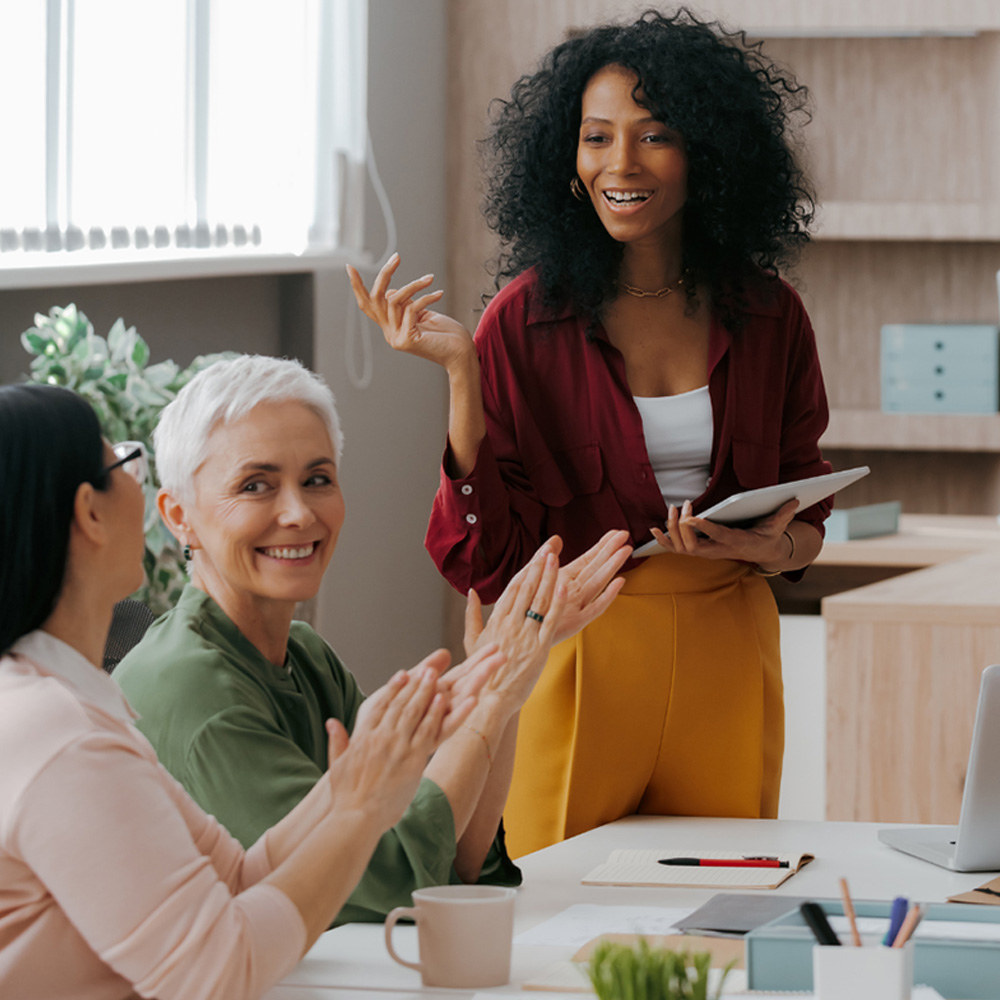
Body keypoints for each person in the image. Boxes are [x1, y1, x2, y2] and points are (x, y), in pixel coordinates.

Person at [348, 8, 833, 857]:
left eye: (653, 137)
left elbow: (806, 519)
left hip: (729, 642)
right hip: (574, 646)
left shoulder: (769, 315)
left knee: (722, 899)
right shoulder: (522, 323)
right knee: (555, 904)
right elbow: (487, 561)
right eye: (597, 137)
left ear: (706, 153)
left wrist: (764, 550)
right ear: (568, 160)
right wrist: (462, 373)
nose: (620, 164)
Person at [0, 381, 509, 999]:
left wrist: (351, 786)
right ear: (90, 512)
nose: (297, 513)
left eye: (318, 478)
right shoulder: (59, 735)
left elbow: (240, 877)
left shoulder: (70, 705)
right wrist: (362, 808)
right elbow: (221, 970)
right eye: (123, 463)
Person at [114, 354, 630, 920]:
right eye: (255, 485)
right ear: (178, 515)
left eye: (317, 480)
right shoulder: (193, 690)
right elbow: (396, 887)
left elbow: (458, 862)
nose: (298, 513)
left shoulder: (304, 653)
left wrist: (503, 678)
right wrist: (495, 691)